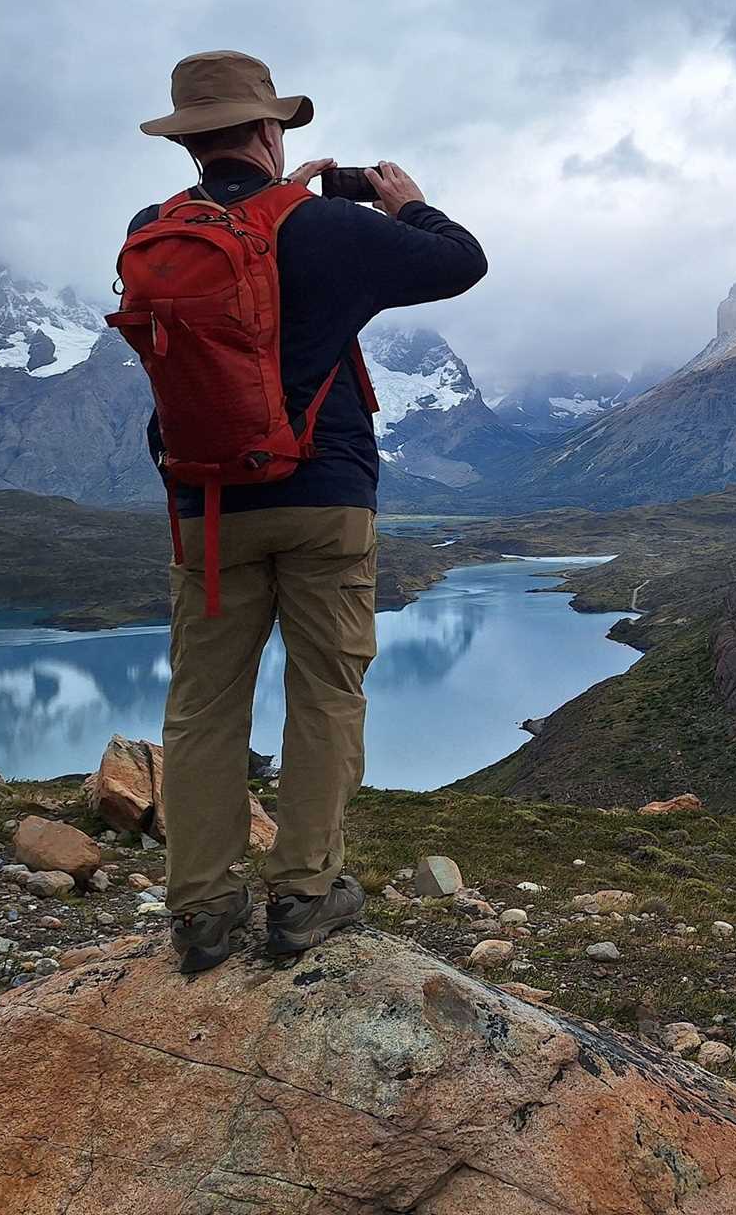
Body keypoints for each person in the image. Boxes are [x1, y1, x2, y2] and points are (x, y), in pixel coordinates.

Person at [130, 50, 486, 972]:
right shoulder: (326, 227)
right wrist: (399, 200)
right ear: (269, 130)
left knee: (203, 708)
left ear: (190, 143)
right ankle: (305, 892)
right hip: (323, 497)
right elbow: (461, 262)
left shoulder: (149, 231)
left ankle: (202, 912)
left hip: (206, 507)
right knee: (324, 692)